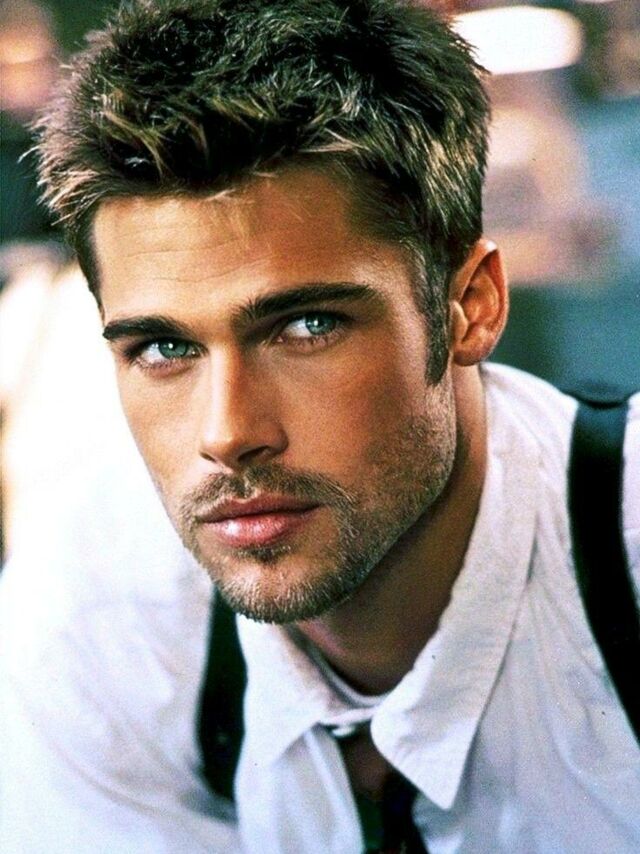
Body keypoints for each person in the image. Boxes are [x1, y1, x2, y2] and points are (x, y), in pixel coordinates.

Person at [1, 0, 638, 851]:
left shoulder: (626, 551)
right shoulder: (95, 610)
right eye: (164, 347)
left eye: (307, 328)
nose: (227, 434)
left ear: (471, 307)